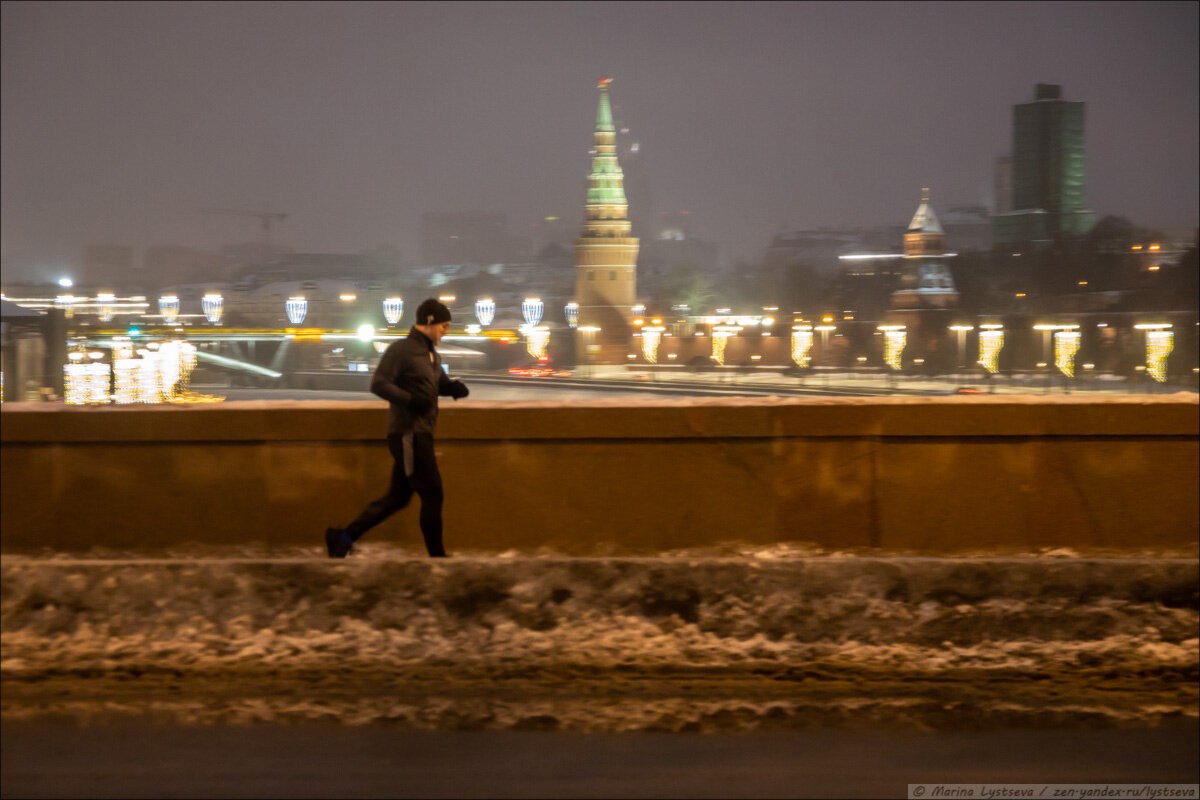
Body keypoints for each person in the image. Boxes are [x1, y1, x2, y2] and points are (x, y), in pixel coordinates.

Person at [325, 298, 469, 558]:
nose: (446, 332)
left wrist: (453, 388)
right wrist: (411, 401)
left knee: (397, 498)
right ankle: (437, 557)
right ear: (429, 322)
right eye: (444, 326)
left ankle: (342, 537)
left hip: (419, 434)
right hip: (408, 434)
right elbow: (379, 383)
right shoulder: (401, 350)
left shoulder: (432, 355)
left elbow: (435, 386)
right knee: (433, 492)